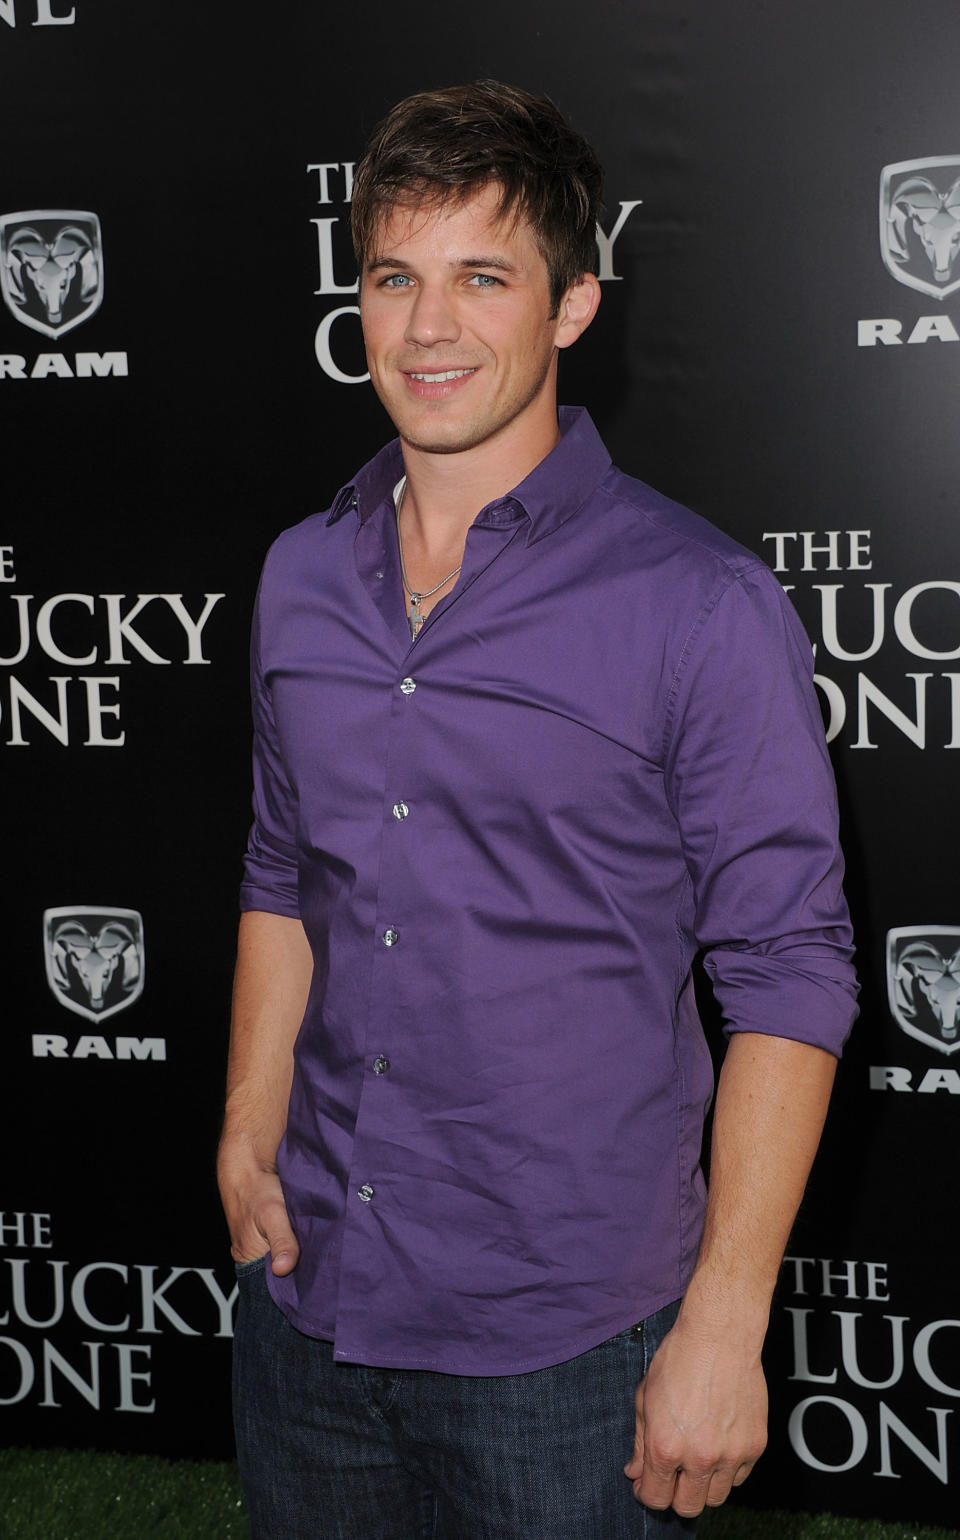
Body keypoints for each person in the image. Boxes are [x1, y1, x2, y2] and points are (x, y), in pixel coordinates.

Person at [217, 79, 858, 1540]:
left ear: (573, 305)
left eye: (481, 278)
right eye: (394, 277)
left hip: (568, 1353)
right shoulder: (297, 578)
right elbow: (280, 869)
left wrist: (726, 1324)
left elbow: (791, 974)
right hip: (310, 1302)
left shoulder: (699, 605)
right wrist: (247, 1131)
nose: (428, 329)